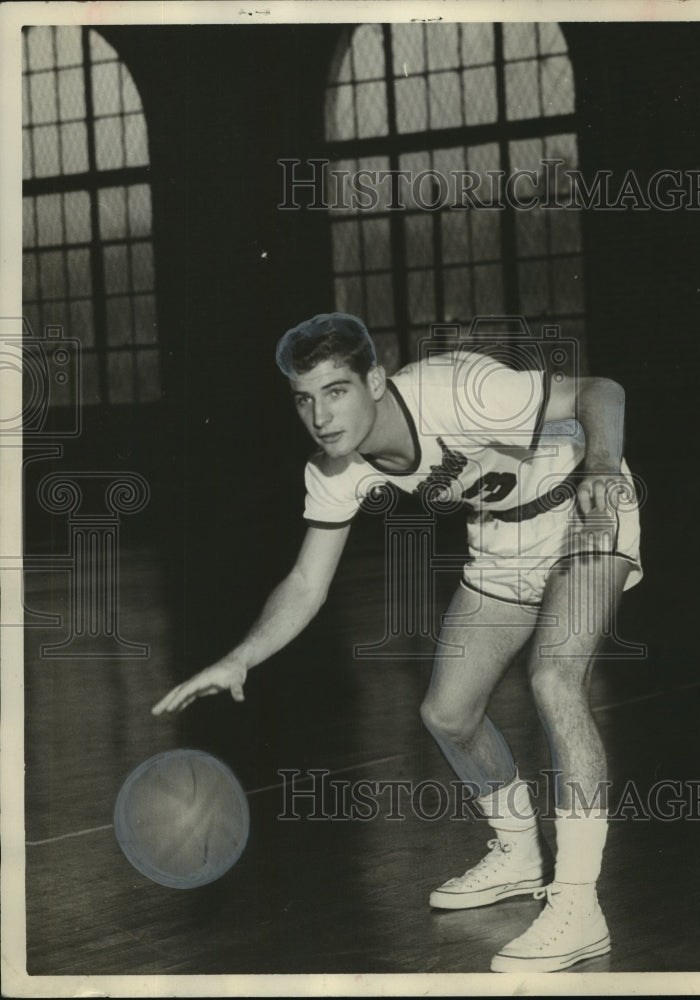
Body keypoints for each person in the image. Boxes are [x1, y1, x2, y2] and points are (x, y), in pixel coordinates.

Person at [152, 311, 642, 974]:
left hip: (586, 506)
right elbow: (304, 582)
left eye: (335, 391)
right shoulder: (334, 471)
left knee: (554, 679)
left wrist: (604, 472)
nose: (320, 415)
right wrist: (240, 656)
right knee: (447, 712)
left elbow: (600, 390)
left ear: (375, 381)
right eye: (304, 399)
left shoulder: (456, 390)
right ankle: (518, 854)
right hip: (501, 535)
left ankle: (580, 902)